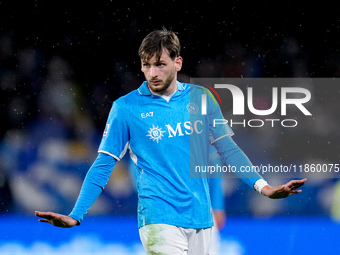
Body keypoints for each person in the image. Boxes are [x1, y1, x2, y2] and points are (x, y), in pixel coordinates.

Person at [35, 28, 307, 255]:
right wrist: (76, 214)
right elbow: (103, 164)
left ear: (178, 63)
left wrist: (265, 188)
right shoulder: (126, 108)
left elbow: (226, 150)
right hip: (158, 218)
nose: (152, 73)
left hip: (201, 219)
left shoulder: (201, 98)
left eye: (160, 64)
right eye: (146, 65)